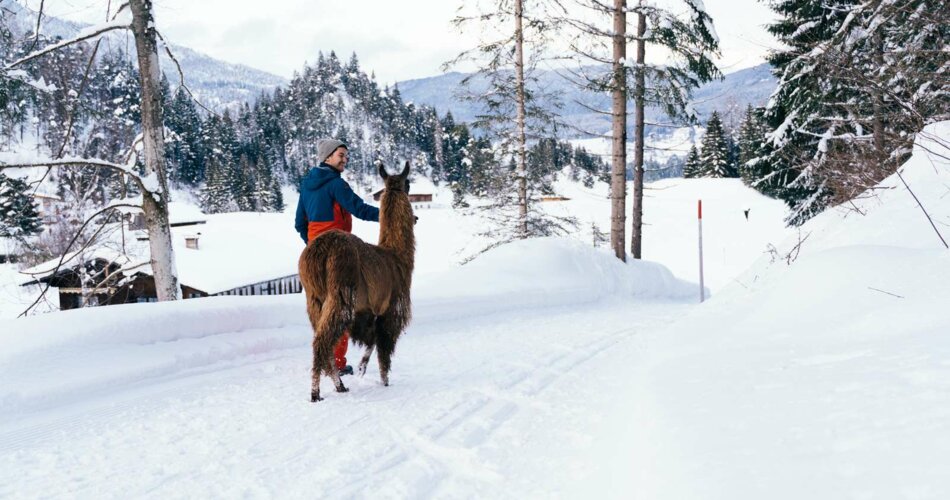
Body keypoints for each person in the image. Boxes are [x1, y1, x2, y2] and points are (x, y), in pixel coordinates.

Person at [295, 138, 380, 375]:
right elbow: (360, 209)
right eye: (341, 155)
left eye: (346, 155)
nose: (345, 159)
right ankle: (336, 363)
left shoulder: (306, 185)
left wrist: (314, 246)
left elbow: (299, 223)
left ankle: (323, 357)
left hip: (312, 251)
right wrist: (389, 214)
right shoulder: (335, 184)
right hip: (338, 251)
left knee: (320, 307)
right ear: (328, 157)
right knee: (341, 305)